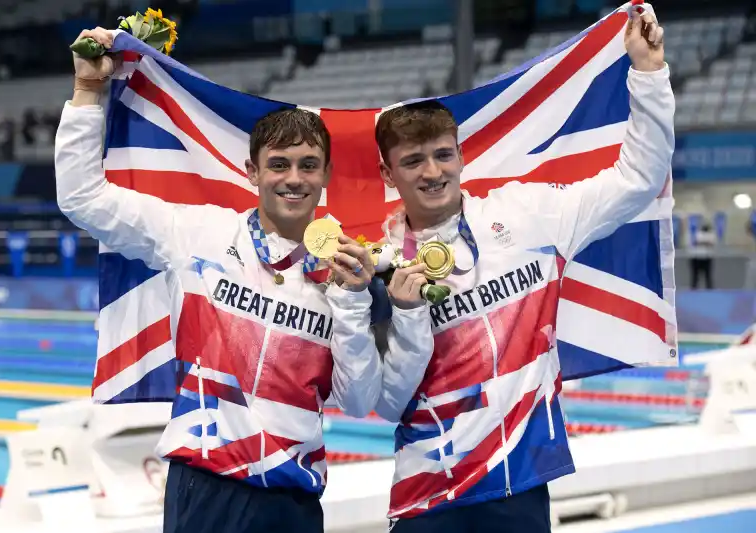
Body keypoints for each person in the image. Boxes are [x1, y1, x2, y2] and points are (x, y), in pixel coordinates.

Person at [55, 27, 432, 533]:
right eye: (278, 165)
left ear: (325, 176)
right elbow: (83, 198)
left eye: (307, 166)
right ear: (251, 171)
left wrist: (351, 302)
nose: (293, 178)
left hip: (291, 502)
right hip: (204, 489)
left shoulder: (345, 270)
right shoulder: (195, 233)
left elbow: (360, 400)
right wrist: (88, 92)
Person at [373, 10, 672, 532]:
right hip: (430, 496)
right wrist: (406, 311)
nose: (433, 171)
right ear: (388, 172)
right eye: (414, 160)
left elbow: (639, 178)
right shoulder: (379, 265)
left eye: (443, 154)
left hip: (520, 483)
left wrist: (648, 74)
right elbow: (388, 401)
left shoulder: (532, 217)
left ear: (462, 156)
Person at [689, 222, 716, 289]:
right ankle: (694, 289)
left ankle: (709, 290)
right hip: (696, 257)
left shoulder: (711, 234)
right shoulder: (695, 233)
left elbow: (711, 243)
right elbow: (695, 242)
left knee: (708, 276)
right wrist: (703, 242)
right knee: (695, 276)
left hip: (706, 258)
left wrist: (702, 242)